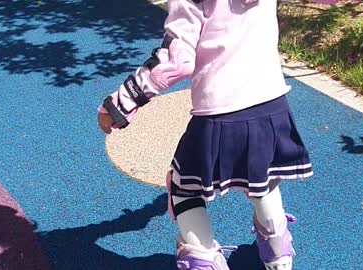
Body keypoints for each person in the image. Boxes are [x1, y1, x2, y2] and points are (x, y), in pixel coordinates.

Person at [97, 0, 321, 268]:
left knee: (184, 189)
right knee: (263, 174)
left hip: (220, 114)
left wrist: (122, 102)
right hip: (272, 105)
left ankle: (203, 260)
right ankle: (278, 254)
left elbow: (177, 62)